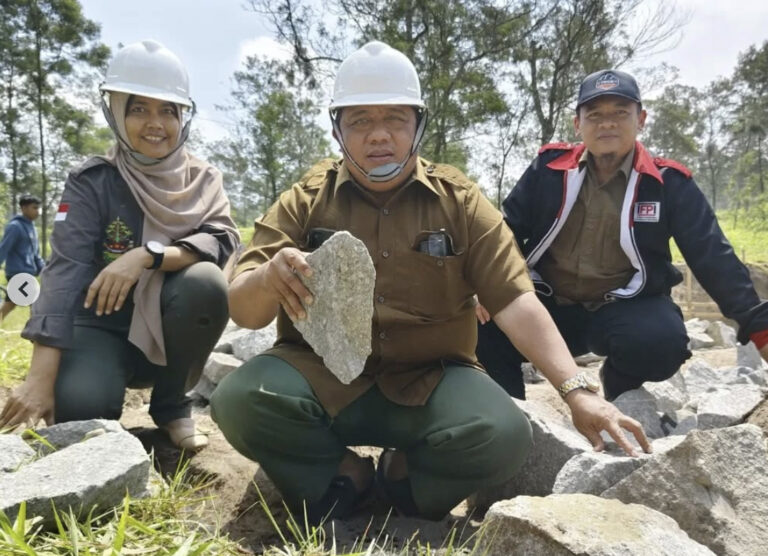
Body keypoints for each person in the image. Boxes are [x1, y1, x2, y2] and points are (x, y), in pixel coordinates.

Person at [211, 42, 649, 524]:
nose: (379, 136)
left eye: (396, 119)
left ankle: (405, 478)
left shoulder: (459, 200)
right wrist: (271, 278)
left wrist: (578, 390)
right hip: (321, 378)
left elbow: (515, 301)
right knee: (238, 400)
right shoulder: (304, 200)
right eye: (360, 121)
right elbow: (243, 310)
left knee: (503, 434)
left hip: (430, 380)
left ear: (418, 124)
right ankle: (340, 475)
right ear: (337, 129)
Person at [0, 40, 239, 451]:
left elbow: (221, 239)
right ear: (115, 113)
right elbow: (65, 269)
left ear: (184, 117)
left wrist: (146, 256)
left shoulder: (203, 178)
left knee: (205, 282)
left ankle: (172, 407)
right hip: (99, 326)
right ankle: (93, 389)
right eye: (138, 108)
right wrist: (40, 379)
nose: (155, 123)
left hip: (170, 326)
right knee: (82, 414)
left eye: (168, 110)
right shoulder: (92, 181)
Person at [476, 69, 768, 401]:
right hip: (546, 307)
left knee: (662, 342)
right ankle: (511, 413)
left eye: (620, 112)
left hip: (621, 309)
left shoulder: (667, 182)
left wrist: (757, 324)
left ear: (641, 119)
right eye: (595, 114)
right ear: (578, 124)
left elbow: (711, 254)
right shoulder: (549, 169)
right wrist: (488, 284)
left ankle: (619, 391)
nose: (607, 123)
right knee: (478, 323)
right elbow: (505, 231)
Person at [0, 194, 45, 322]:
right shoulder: (15, 226)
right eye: (34, 208)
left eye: (38, 208)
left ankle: (35, 334)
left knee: (10, 304)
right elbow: (3, 248)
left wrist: (43, 270)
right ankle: (35, 335)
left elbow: (35, 254)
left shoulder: (32, 228)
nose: (38, 211)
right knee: (36, 304)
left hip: (28, 273)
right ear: (24, 208)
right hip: (17, 273)